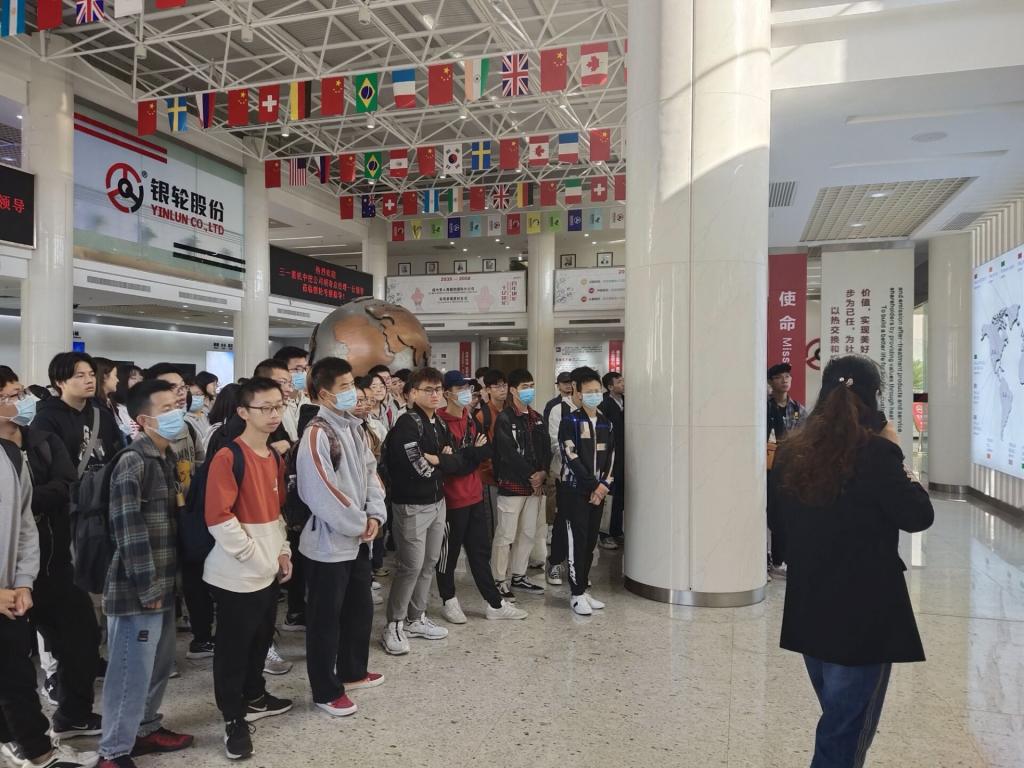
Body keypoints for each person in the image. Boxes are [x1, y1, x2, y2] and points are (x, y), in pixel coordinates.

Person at [770, 354, 934, 768]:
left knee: (838, 718)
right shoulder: (877, 452)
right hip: (864, 616)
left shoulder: (792, 451)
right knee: (845, 731)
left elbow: (779, 524)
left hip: (809, 606)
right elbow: (918, 516)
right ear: (873, 397)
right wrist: (898, 456)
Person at [0, 368, 103, 740]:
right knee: (14, 665)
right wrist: (21, 502)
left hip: (52, 564)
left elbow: (66, 485)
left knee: (82, 639)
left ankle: (73, 714)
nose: (22, 401)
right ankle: (18, 741)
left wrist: (19, 502)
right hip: (6, 579)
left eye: (21, 392)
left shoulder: (42, 440)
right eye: (13, 395)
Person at [98, 380, 195, 768]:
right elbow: (128, 528)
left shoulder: (165, 457)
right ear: (144, 419)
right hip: (138, 588)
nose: (177, 412)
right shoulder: (133, 461)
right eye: (167, 408)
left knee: (157, 665)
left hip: (165, 583)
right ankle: (113, 750)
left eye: (177, 405)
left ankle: (145, 727)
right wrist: (148, 586)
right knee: (129, 671)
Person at [203, 378, 293, 760]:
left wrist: (283, 552)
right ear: (243, 411)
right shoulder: (228, 456)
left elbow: (276, 514)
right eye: (265, 408)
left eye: (278, 406)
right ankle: (233, 718)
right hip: (236, 574)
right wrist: (258, 557)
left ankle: (255, 695)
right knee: (233, 649)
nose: (274, 414)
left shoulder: (273, 457)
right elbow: (218, 518)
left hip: (268, 571)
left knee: (261, 639)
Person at [296, 358, 387, 716]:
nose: (353, 392)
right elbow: (320, 492)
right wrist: (358, 522)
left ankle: (352, 671)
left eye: (353, 384)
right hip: (328, 545)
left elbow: (370, 473)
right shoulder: (317, 433)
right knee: (325, 621)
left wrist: (375, 514)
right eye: (345, 387)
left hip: (358, 539)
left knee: (358, 610)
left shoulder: (355, 428)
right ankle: (325, 690)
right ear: (324, 394)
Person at [381, 367, 472, 655]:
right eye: (428, 390)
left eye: (438, 390)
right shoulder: (407, 425)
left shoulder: (438, 423)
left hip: (437, 502)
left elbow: (456, 459)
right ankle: (394, 624)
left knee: (429, 562)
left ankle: (415, 618)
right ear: (411, 393)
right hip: (412, 505)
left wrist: (440, 461)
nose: (435, 395)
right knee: (410, 566)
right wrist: (441, 463)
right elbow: (418, 467)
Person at [436, 371, 527, 623]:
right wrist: (469, 455)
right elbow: (450, 466)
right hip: (451, 499)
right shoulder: (439, 424)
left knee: (479, 552)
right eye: (460, 389)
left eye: (468, 389)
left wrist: (465, 456)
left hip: (475, 495)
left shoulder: (470, 419)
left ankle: (494, 604)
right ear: (447, 393)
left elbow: (485, 451)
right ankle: (448, 600)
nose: (466, 394)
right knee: (449, 554)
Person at [143, 364, 212, 661]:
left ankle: (201, 637)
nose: (180, 394)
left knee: (194, 578)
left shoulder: (186, 427)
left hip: (187, 514)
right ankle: (161, 655)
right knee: (163, 585)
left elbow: (199, 464)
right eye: (171, 389)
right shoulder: (139, 439)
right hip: (157, 520)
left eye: (182, 388)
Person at [557, 368, 615, 615]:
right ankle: (576, 593)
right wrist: (593, 485)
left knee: (590, 543)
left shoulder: (605, 422)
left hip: (598, 493)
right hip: (575, 491)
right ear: (578, 394)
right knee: (576, 542)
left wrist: (603, 486)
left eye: (597, 391)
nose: (594, 395)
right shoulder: (569, 421)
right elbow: (570, 456)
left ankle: (583, 587)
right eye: (589, 392)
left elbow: (612, 457)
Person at [490, 369, 551, 601]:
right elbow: (507, 453)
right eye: (525, 387)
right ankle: (499, 579)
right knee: (506, 534)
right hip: (512, 485)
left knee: (527, 533)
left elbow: (546, 449)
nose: (529, 390)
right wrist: (531, 475)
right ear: (513, 390)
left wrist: (543, 473)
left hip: (535, 488)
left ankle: (518, 575)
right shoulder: (505, 418)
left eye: (531, 386)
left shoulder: (537, 417)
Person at [33, 352, 123, 484]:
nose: (89, 380)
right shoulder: (46, 419)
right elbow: (45, 465)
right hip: (69, 492)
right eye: (80, 376)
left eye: (92, 374)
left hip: (103, 491)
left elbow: (117, 454)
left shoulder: (103, 416)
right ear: (60, 382)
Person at [767, 362, 808, 574]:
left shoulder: (798, 409)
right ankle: (769, 559)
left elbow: (805, 437)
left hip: (790, 467)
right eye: (779, 377)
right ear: (770, 382)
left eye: (787, 377)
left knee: (786, 512)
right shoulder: (764, 407)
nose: (784, 380)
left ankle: (782, 558)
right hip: (766, 467)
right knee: (769, 511)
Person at [543, 372, 576, 586]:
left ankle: (578, 569)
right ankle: (555, 562)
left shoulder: (596, 412)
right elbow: (554, 441)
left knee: (583, 526)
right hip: (563, 473)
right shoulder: (557, 408)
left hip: (588, 479)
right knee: (563, 520)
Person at [474, 369, 508, 537]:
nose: (502, 389)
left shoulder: (510, 410)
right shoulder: (483, 416)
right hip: (490, 478)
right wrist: (493, 473)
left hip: (511, 477)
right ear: (487, 390)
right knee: (493, 523)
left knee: (507, 524)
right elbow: (482, 451)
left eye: (504, 385)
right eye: (497, 386)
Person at [599, 371, 625, 549]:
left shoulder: (626, 401)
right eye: (619, 382)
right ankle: (604, 534)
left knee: (621, 496)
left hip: (624, 456)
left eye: (622, 381)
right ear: (610, 386)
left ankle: (616, 530)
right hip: (611, 457)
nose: (622, 384)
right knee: (609, 495)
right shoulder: (605, 404)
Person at [274, 347, 310, 443]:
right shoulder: (274, 406)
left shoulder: (310, 402)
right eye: (297, 369)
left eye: (305, 369)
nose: (303, 373)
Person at [111, 365, 143, 442]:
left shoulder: (142, 407)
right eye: (133, 378)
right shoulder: (114, 407)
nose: (138, 382)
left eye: (141, 379)